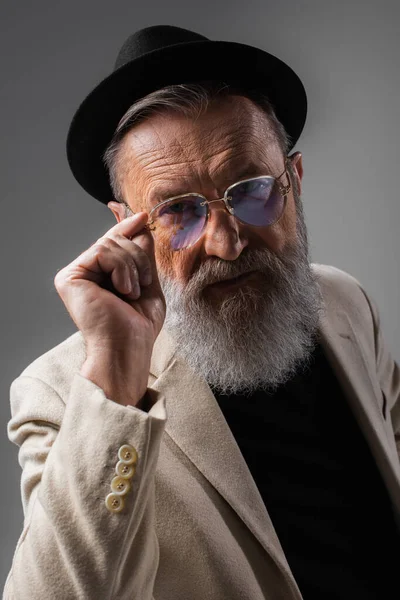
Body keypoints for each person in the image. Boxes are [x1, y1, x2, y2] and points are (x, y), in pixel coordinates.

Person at [4, 24, 400, 600]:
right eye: (178, 211)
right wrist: (118, 372)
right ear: (127, 227)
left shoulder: (345, 303)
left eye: (252, 190)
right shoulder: (66, 394)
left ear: (295, 180)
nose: (225, 242)